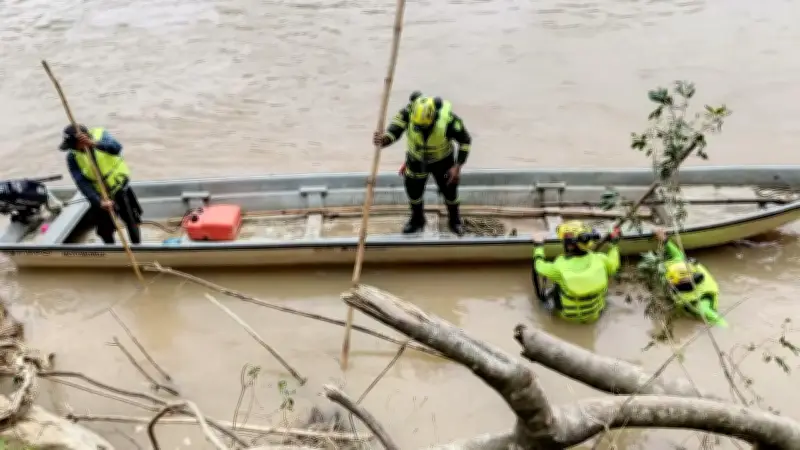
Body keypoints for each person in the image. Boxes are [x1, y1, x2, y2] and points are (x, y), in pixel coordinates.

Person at [373, 91, 472, 235]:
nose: (422, 129)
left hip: (443, 162)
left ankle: (455, 220)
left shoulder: (449, 120)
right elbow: (394, 130)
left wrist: (457, 167)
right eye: (418, 127)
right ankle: (417, 219)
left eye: (425, 127)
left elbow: (465, 141)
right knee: (414, 192)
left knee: (450, 192)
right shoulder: (408, 112)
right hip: (416, 160)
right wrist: (384, 140)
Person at [60, 124, 142, 245]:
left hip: (119, 188)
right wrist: (98, 201)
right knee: (105, 229)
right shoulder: (72, 156)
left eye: (73, 145)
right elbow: (81, 182)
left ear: (82, 140)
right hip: (100, 195)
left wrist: (93, 144)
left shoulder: (101, 135)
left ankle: (137, 246)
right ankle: (110, 250)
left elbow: (116, 148)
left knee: (131, 220)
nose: (72, 148)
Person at [532, 220, 622, 323]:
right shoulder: (601, 259)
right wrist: (614, 245)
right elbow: (614, 265)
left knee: (552, 291)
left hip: (567, 318)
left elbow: (538, 266)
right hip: (594, 317)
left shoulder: (558, 267)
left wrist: (538, 246)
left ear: (568, 245)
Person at [652, 228, 726, 327]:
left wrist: (663, 238)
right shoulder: (663, 269)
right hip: (683, 294)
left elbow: (671, 248)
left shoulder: (678, 259)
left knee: (705, 311)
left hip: (702, 295)